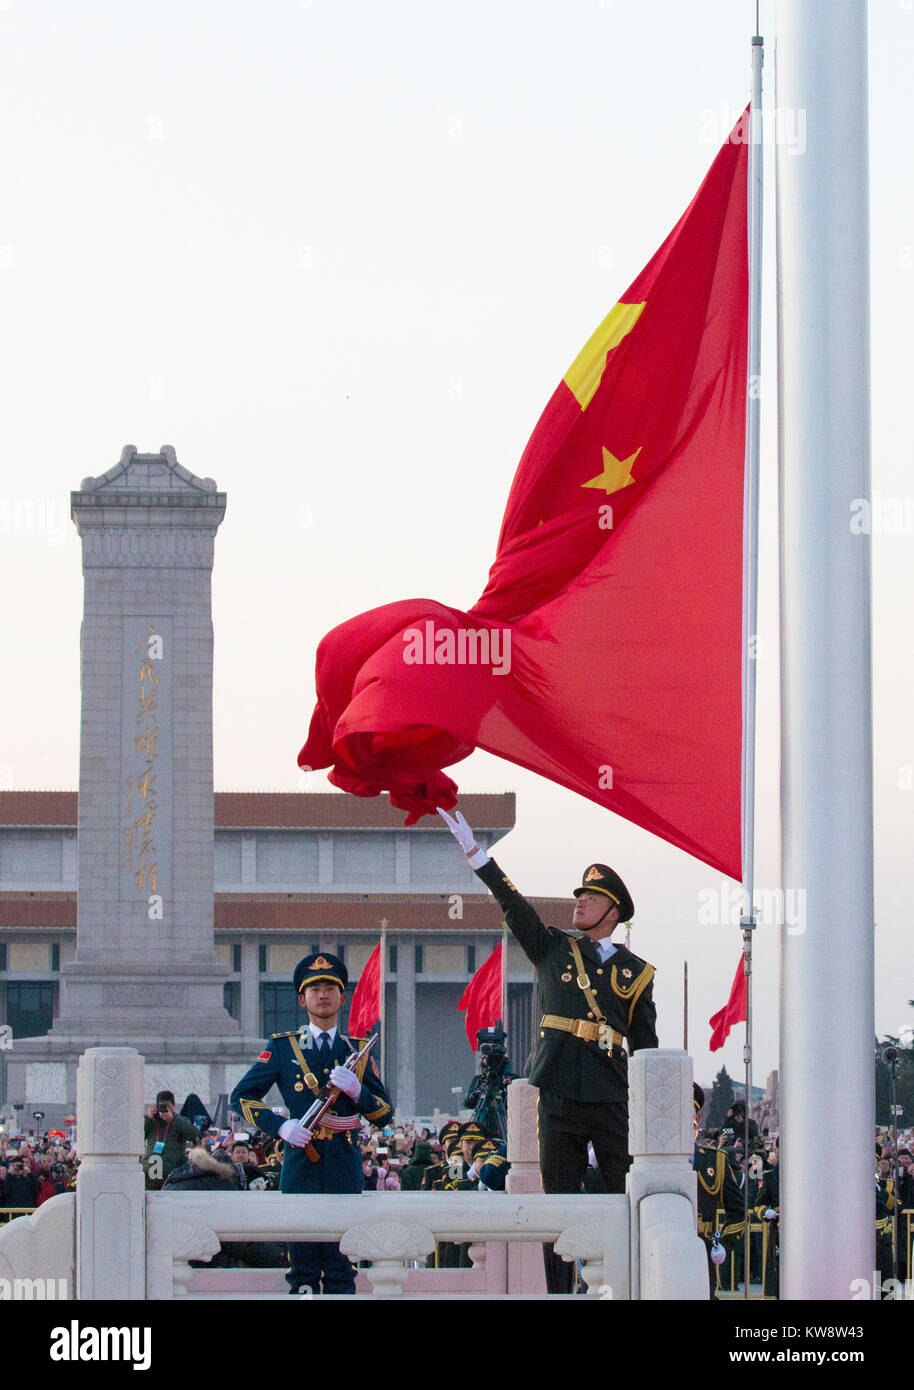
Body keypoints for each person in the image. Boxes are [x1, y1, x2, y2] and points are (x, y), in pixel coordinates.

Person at [439, 806, 657, 1293]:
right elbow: (514, 905)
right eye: (579, 894)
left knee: (625, 1198)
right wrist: (478, 856)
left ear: (613, 913)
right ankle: (559, 1292)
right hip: (556, 1093)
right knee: (556, 1206)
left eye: (592, 897)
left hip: (611, 1098)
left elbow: (646, 1048)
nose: (579, 902)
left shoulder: (637, 973)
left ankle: (626, 1286)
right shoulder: (553, 948)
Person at [230, 950, 392, 1295]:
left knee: (340, 1267)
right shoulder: (283, 1048)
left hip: (343, 1167)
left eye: (330, 988)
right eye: (314, 988)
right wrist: (280, 1126)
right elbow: (242, 1097)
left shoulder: (358, 1052)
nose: (322, 995)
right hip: (301, 1164)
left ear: (342, 997)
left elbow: (384, 1113)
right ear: (302, 999)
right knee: (302, 1267)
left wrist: (358, 1091)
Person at [692, 1085, 744, 1298]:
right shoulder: (650, 1161)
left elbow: (738, 1212)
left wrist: (721, 1243)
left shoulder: (715, 1160)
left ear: (696, 1117)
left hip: (701, 1256)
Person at [143, 1090, 199, 1190]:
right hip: (151, 1171)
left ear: (173, 1105)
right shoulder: (151, 1121)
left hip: (173, 1173)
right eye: (162, 1105)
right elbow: (138, 1137)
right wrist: (148, 1118)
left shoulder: (180, 1120)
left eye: (167, 1106)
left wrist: (173, 1120)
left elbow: (193, 1134)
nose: (164, 1109)